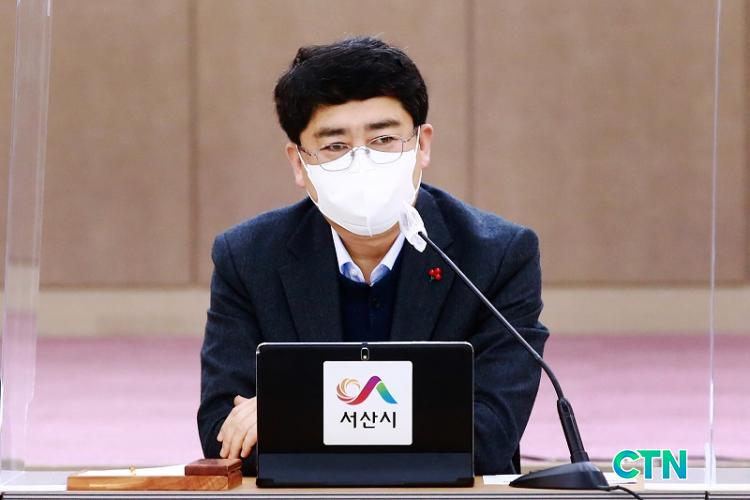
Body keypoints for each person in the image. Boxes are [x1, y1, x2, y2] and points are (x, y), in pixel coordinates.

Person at [198, 36, 549, 476]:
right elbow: (223, 437)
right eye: (335, 146)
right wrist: (423, 422)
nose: (361, 161)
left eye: (384, 139)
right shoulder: (248, 257)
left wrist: (295, 410)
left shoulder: (497, 255)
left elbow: (488, 438)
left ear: (422, 145)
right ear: (298, 164)